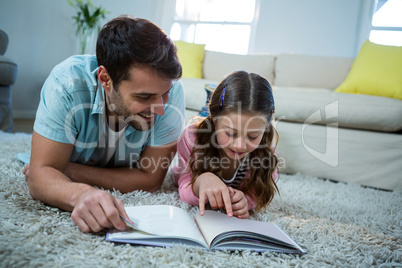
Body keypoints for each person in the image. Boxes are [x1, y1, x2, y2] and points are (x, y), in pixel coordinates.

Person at [22, 16, 185, 233]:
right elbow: (39, 177)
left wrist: (69, 170)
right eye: (144, 97)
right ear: (105, 79)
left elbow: (151, 180)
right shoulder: (66, 84)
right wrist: (80, 194)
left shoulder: (172, 92)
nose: (161, 109)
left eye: (164, 94)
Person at [171, 71, 279, 219]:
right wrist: (199, 182)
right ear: (215, 121)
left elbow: (258, 194)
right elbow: (184, 185)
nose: (240, 146)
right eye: (230, 133)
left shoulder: (266, 154)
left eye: (253, 136)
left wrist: (245, 201)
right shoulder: (192, 138)